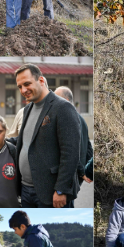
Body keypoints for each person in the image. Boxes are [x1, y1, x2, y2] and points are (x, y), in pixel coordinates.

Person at [14, 64, 81, 208]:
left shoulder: (62, 107)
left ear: (41, 81)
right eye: (20, 87)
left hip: (51, 192)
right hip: (26, 190)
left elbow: (71, 152)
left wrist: (61, 189)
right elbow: (26, 142)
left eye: (27, 84)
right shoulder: (27, 109)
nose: (23, 90)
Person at [54, 86, 93, 188]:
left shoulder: (68, 119)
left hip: (69, 173)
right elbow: (89, 148)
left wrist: (82, 172)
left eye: (56, 98)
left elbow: (71, 150)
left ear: (66, 100)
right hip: (76, 175)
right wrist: (86, 172)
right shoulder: (81, 118)